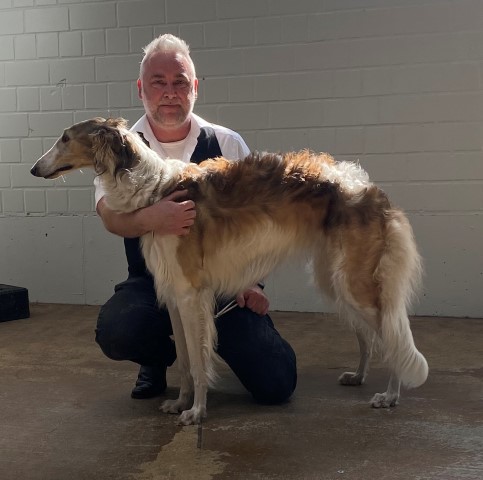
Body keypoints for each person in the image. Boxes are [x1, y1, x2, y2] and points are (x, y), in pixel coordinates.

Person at [94, 34, 297, 405]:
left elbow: (259, 221)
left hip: (221, 282)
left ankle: (215, 345)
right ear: (141, 88)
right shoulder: (121, 145)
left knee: (277, 383)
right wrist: (153, 218)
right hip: (152, 282)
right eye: (159, 82)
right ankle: (160, 359)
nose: (170, 93)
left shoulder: (227, 143)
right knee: (119, 329)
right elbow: (109, 216)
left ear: (195, 87)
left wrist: (252, 282)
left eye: (180, 82)